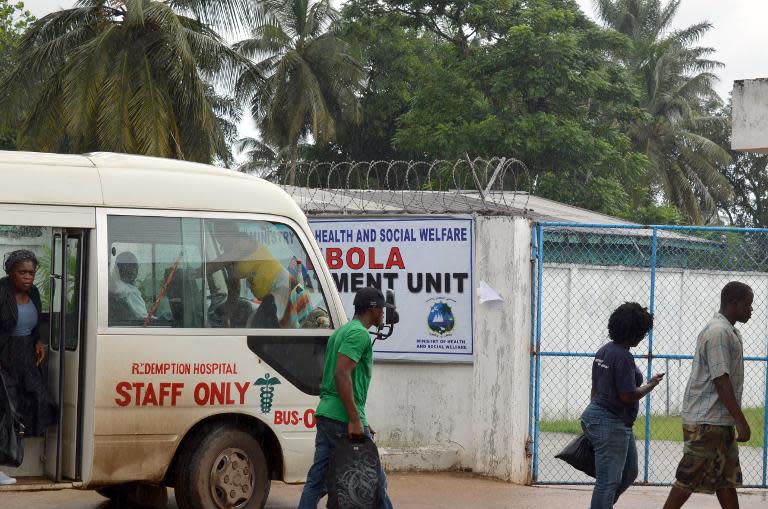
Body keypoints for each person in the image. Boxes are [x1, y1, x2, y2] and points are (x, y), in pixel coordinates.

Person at [298, 287, 394, 509]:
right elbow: (341, 374)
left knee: (317, 481)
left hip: (326, 414)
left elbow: (339, 377)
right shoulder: (359, 334)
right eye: (381, 309)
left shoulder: (340, 332)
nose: (383, 314)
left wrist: (361, 418)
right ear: (373, 308)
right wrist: (355, 419)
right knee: (375, 481)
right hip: (343, 419)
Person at [663, 282, 752, 509]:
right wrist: (741, 423)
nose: (751, 309)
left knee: (726, 481)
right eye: (747, 304)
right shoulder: (718, 332)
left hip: (717, 421)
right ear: (733, 302)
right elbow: (721, 380)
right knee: (687, 479)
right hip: (706, 423)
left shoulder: (728, 331)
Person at [580, 302, 664, 509]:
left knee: (629, 472)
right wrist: (651, 385)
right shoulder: (624, 356)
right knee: (608, 481)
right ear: (634, 332)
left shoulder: (604, 351)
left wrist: (595, 420)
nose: (643, 337)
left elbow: (595, 389)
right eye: (642, 332)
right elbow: (627, 396)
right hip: (610, 421)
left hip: (605, 418)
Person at [0, 250, 57, 485]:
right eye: (22, 272)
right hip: (4, 355)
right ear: (10, 272)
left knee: (39, 401)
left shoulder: (33, 293)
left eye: (31, 273)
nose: (28, 277)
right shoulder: (1, 292)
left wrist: (38, 341)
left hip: (26, 356)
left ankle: (25, 456)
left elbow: (35, 325)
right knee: (6, 410)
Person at [108, 251, 149, 324]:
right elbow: (142, 317)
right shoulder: (122, 286)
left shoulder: (132, 288)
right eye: (129, 265)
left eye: (135, 265)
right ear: (120, 268)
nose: (133, 269)